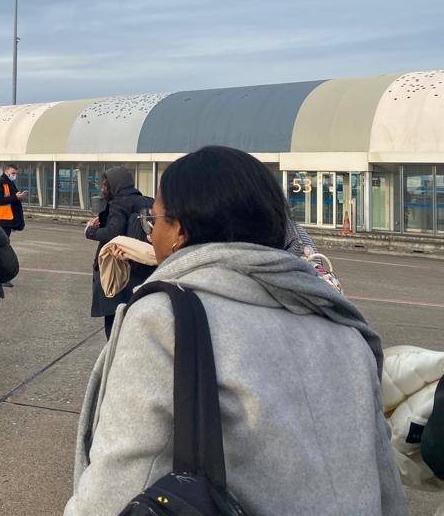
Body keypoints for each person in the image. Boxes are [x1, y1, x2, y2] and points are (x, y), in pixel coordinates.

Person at [65, 146, 406, 515]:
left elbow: (121, 479)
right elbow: (387, 487)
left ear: (181, 229)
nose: (151, 235)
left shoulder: (165, 318)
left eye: (156, 221)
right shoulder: (344, 327)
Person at [84, 165, 154, 337]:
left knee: (114, 326)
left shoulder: (119, 203)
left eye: (105, 186)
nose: (103, 190)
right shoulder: (149, 201)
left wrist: (90, 231)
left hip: (119, 268)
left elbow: (111, 233)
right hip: (144, 268)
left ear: (116, 185)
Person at [0, 164, 26, 237]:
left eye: (16, 173)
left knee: (4, 242)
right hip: (0, 219)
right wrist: (16, 197)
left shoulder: (9, 183)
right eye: (13, 173)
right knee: (2, 243)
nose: (14, 175)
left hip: (7, 218)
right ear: (6, 171)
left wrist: (19, 197)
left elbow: (12, 198)